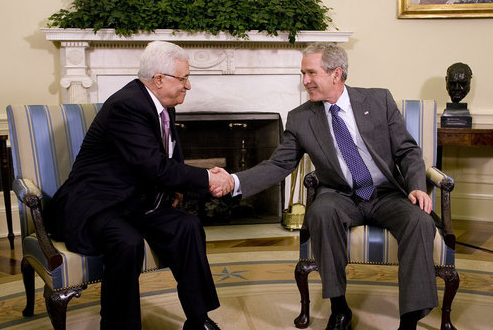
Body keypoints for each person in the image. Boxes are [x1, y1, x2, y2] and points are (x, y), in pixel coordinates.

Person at [229, 43, 437, 330]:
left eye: (311, 73)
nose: (305, 81)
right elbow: (278, 164)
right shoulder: (301, 117)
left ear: (336, 73)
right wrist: (234, 181)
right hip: (340, 195)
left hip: (385, 193)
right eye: (303, 73)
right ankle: (339, 308)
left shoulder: (379, 101)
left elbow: (407, 151)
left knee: (420, 222)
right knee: (321, 213)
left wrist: (416, 186)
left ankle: (410, 318)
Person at [44, 41, 233, 330]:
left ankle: (198, 319)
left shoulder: (163, 104)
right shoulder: (127, 106)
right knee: (126, 242)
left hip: (137, 201)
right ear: (159, 79)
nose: (189, 85)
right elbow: (154, 167)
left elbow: (168, 153)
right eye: (183, 78)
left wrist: (178, 187)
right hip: (99, 204)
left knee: (187, 227)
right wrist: (209, 179)